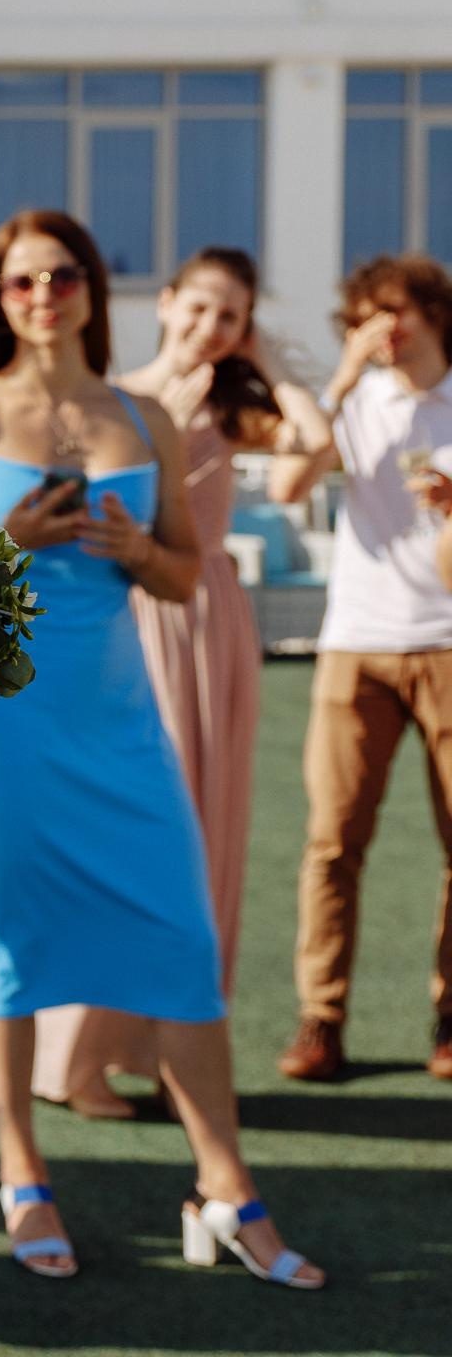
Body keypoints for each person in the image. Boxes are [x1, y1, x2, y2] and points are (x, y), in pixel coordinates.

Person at [0, 211, 323, 1289]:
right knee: (2, 943)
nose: (43, 296)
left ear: (93, 288)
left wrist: (137, 545)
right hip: (1, 722)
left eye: (61, 276)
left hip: (120, 724)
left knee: (179, 937)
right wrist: (7, 542)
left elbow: (186, 576)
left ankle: (226, 1187)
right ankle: (21, 1171)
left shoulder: (145, 415)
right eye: (21, 282)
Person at [35, 249, 330, 1116]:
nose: (211, 327)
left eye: (231, 316)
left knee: (205, 834)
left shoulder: (234, 409)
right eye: (200, 307)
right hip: (126, 622)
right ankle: (77, 1059)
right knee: (127, 831)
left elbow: (315, 446)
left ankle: (166, 1052)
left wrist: (270, 363)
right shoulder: (108, 396)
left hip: (211, 626)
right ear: (166, 303)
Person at [266, 253, 452, 1085]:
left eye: (395, 309)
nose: (381, 327)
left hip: (448, 642)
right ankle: (321, 1020)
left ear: (433, 313)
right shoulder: (355, 401)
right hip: (356, 643)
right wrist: (340, 381)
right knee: (332, 841)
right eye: (366, 314)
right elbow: (287, 485)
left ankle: (451, 1018)